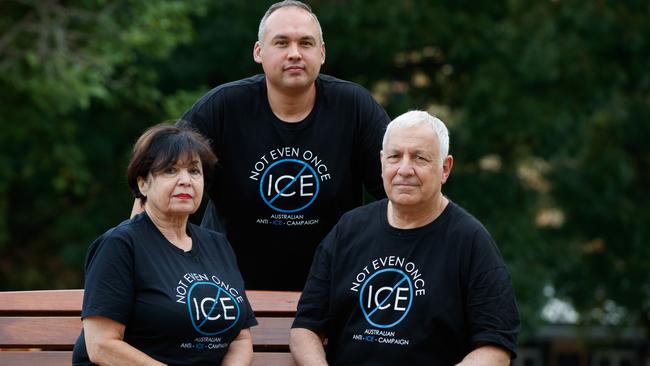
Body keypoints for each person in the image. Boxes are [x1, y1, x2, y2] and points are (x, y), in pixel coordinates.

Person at [169, 0, 390, 290]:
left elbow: (401, 188)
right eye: (282, 43)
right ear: (259, 52)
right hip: (224, 292)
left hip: (330, 292)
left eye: (306, 43)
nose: (295, 54)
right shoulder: (222, 108)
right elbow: (161, 178)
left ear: (322, 53)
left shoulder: (354, 108)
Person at [289, 110, 520, 365]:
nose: (404, 169)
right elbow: (305, 328)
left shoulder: (471, 242)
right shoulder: (348, 229)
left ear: (445, 168)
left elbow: (495, 350)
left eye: (419, 158)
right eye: (395, 156)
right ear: (381, 162)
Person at [73, 124, 257, 365]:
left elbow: (241, 339)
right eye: (170, 170)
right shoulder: (120, 245)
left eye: (194, 171)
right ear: (143, 184)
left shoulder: (217, 244)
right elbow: (101, 345)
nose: (185, 181)